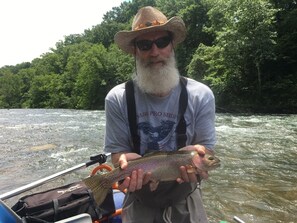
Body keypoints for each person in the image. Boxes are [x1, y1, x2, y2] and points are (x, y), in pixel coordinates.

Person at [104, 6, 216, 223]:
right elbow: (117, 154)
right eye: (145, 44)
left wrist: (202, 155)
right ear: (136, 51)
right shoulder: (117, 98)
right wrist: (122, 162)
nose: (154, 52)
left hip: (187, 199)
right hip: (139, 200)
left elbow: (206, 148)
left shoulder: (201, 95)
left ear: (172, 45)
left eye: (162, 42)